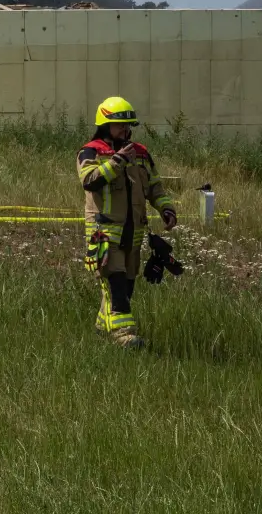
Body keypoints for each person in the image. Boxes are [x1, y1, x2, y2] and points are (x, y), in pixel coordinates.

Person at [77, 96, 179, 350]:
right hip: (104, 234)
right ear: (105, 125)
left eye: (128, 125)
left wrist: (166, 208)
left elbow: (155, 186)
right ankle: (124, 336)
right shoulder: (91, 152)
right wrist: (117, 162)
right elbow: (89, 181)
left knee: (127, 287)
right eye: (120, 125)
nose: (125, 129)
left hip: (133, 235)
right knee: (116, 284)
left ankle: (102, 330)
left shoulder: (141, 153)